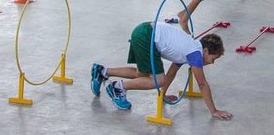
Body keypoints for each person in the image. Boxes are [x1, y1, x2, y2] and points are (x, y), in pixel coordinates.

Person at [90, 23, 231, 120]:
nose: (212, 63)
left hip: (143, 30)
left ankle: (103, 72)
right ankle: (118, 87)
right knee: (158, 80)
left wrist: (162, 95)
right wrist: (214, 111)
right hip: (147, 36)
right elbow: (202, 84)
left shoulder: (189, 48)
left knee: (142, 75)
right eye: (213, 58)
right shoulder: (194, 53)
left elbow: (171, 73)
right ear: (205, 51)